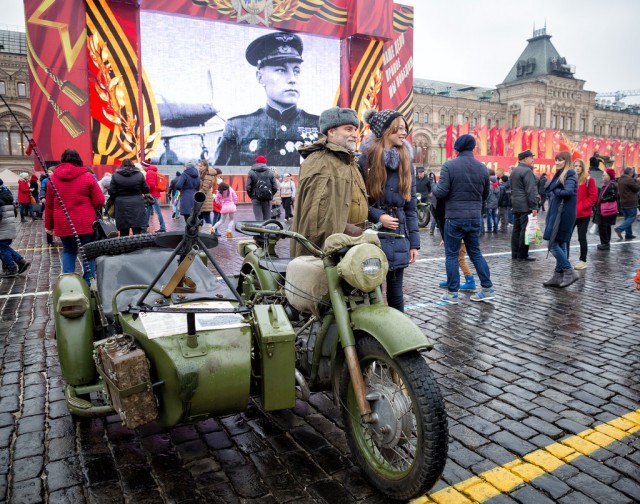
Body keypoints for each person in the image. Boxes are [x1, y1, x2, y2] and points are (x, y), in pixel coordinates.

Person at [213, 32, 319, 167]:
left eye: (296, 71)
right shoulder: (239, 127)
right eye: (281, 70)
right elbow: (219, 179)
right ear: (260, 77)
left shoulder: (319, 126)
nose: (292, 79)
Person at [358, 109, 419, 312]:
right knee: (372, 288)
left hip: (399, 235)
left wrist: (414, 244)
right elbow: (357, 203)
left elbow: (410, 208)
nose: (404, 133)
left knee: (396, 292)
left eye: (404, 128)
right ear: (385, 130)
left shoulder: (406, 162)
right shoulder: (364, 161)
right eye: (399, 128)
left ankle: (398, 333)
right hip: (372, 234)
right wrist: (378, 215)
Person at [291, 106, 367, 256]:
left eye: (355, 130)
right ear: (331, 132)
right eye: (348, 129)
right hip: (333, 248)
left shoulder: (347, 160)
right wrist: (348, 230)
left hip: (351, 243)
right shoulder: (321, 162)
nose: (354, 134)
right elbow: (316, 221)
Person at [432, 134, 495, 303]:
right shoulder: (483, 168)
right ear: (473, 148)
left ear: (456, 149)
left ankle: (453, 293)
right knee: (476, 254)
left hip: (454, 218)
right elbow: (486, 194)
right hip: (474, 218)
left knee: (452, 256)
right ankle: (487, 288)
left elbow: (441, 192)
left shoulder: (449, 166)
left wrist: (433, 186)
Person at [45, 149, 105, 284]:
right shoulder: (87, 176)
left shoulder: (52, 179)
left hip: (64, 223)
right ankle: (89, 283)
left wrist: (49, 226)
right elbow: (99, 201)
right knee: (87, 252)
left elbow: (49, 206)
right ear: (78, 160)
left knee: (69, 251)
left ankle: (69, 283)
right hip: (85, 222)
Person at [542, 151, 578, 288]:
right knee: (561, 242)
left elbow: (568, 192)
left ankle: (569, 271)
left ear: (566, 161)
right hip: (557, 212)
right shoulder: (560, 174)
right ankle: (558, 275)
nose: (556, 163)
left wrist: (556, 191)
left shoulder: (569, 173)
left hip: (563, 213)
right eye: (556, 160)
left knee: (552, 244)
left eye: (560, 160)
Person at [510, 150, 539, 261]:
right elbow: (531, 190)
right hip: (525, 205)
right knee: (525, 230)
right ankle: (522, 255)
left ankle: (515, 253)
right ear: (525, 159)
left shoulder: (515, 171)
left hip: (516, 204)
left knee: (516, 230)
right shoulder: (527, 171)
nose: (533, 160)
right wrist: (534, 206)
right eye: (531, 157)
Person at [109, 159, 149, 237]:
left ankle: (126, 248)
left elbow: (111, 191)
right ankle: (137, 247)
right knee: (137, 231)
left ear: (121, 165)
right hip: (137, 204)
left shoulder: (115, 175)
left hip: (121, 205)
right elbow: (146, 189)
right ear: (132, 165)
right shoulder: (139, 175)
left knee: (124, 231)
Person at [570, 158, 598, 270]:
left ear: (583, 167)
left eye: (579, 166)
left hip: (583, 215)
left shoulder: (588, 180)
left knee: (582, 238)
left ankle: (583, 260)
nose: (577, 168)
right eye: (575, 165)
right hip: (571, 214)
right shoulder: (570, 179)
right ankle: (564, 259)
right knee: (566, 237)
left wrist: (581, 206)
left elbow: (593, 197)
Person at [0, 179, 30, 278]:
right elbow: (15, 212)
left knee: (2, 248)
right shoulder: (6, 193)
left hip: (2, 226)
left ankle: (11, 268)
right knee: (4, 246)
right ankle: (21, 261)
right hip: (8, 224)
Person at [594, 168, 619, 251]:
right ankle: (606, 243)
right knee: (606, 226)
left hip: (606, 210)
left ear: (609, 176)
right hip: (606, 209)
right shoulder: (609, 184)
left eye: (604, 175)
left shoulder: (611, 185)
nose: (602, 176)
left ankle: (605, 243)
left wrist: (602, 199)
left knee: (603, 226)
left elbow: (613, 196)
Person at [246, 155, 277, 220]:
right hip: (267, 199)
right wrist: (270, 194)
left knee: (258, 219)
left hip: (256, 198)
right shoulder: (270, 172)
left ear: (256, 162)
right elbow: (275, 187)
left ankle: (259, 229)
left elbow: (248, 187)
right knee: (267, 219)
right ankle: (267, 229)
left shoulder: (251, 172)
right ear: (265, 163)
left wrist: (252, 196)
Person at [614, 167, 640, 240]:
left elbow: (629, 185)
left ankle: (628, 234)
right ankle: (619, 229)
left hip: (623, 202)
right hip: (630, 202)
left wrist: (634, 179)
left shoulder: (621, 179)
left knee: (627, 218)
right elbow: (637, 188)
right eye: (632, 172)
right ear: (629, 173)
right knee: (632, 217)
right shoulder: (629, 179)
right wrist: (638, 182)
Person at [143, 161, 166, 233]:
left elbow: (151, 185)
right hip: (154, 194)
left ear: (144, 166)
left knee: (157, 211)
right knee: (148, 210)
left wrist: (147, 191)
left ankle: (162, 227)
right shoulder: (152, 171)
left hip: (152, 195)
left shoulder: (149, 172)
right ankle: (144, 226)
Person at [197, 159, 217, 233]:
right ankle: (199, 232)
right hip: (203, 198)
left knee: (206, 216)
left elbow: (205, 188)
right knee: (200, 216)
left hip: (205, 198)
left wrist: (198, 194)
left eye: (201, 166)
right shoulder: (203, 173)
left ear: (205, 166)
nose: (199, 167)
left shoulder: (208, 174)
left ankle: (208, 233)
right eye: (198, 166)